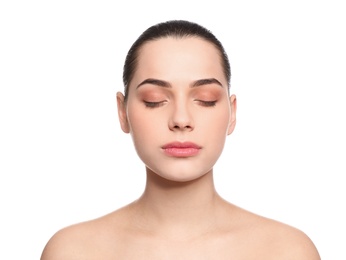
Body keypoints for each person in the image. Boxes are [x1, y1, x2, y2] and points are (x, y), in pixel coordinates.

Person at [41, 20, 320, 259]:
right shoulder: (73, 251)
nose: (181, 119)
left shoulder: (286, 251)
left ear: (232, 113)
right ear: (122, 112)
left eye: (206, 100)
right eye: (154, 101)